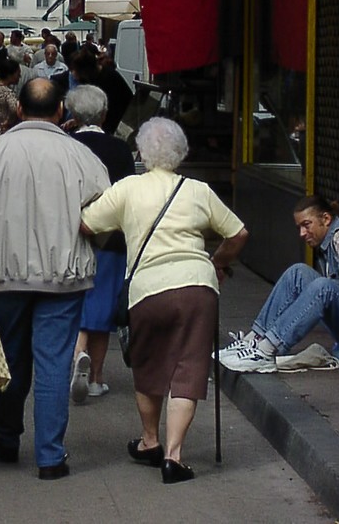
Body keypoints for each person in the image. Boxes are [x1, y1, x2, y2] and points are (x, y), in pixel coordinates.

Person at [0, 78, 110, 479]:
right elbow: (106, 212)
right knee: (53, 363)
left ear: (19, 110)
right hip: (64, 277)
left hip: (4, 275)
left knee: (9, 358)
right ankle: (50, 455)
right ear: (60, 112)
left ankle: (6, 433)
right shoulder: (81, 157)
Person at [80, 117, 248, 484]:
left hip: (148, 288)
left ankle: (150, 441)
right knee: (188, 369)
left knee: (148, 365)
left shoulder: (128, 189)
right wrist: (217, 262)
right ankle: (174, 456)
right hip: (197, 287)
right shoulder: (198, 190)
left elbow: (87, 224)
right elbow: (238, 233)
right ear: (181, 153)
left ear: (141, 152)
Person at [65, 86, 135, 403]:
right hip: (111, 237)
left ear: (73, 114)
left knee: (75, 300)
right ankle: (96, 378)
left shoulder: (65, 146)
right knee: (103, 304)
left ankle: (78, 352)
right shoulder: (120, 150)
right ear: (105, 113)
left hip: (71, 235)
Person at [219, 194, 339, 372]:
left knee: (323, 287)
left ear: (326, 219)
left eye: (307, 225)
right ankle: (254, 340)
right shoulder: (328, 240)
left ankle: (266, 350)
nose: (302, 233)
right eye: (299, 227)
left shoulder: (338, 237)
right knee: (298, 273)